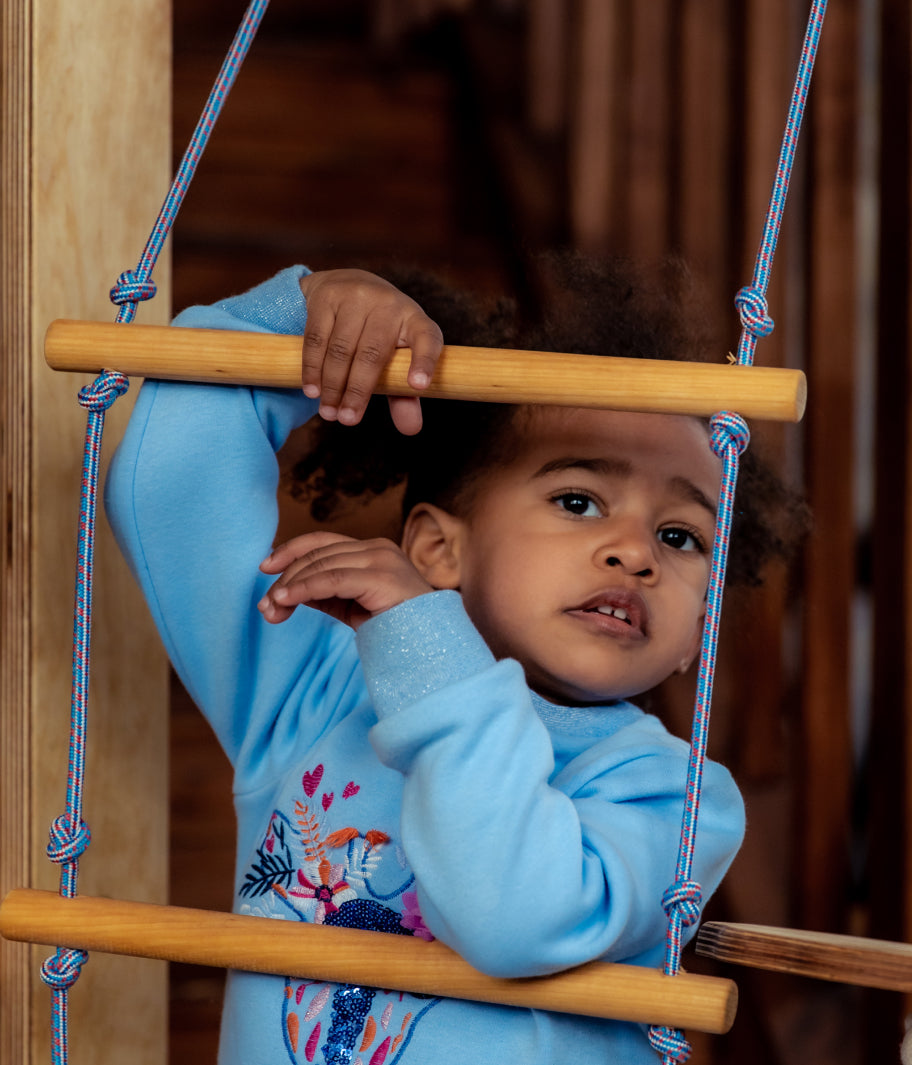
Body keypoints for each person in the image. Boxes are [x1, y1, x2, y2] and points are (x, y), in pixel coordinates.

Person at [104, 261, 784, 1065]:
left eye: (680, 537)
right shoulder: (317, 694)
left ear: (694, 637)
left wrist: (430, 647)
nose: (635, 551)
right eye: (578, 500)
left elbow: (512, 915)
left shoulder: (675, 795)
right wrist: (296, 316)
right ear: (436, 548)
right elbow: (171, 487)